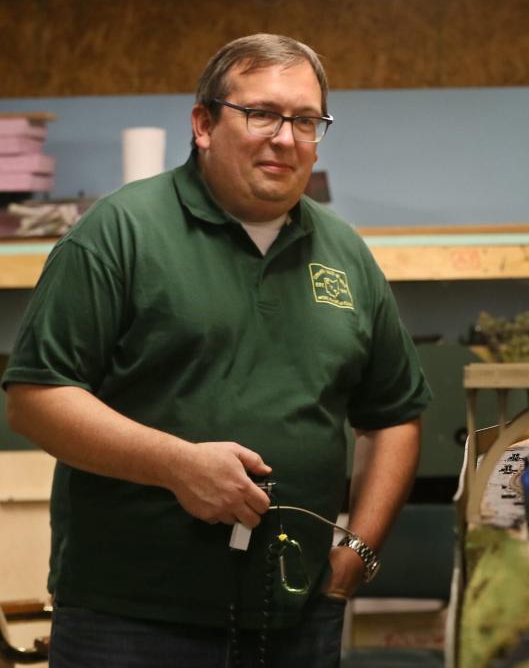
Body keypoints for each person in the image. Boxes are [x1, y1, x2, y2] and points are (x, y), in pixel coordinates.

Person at [2, 33, 431, 667]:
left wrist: (354, 557)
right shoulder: (120, 233)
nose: (286, 137)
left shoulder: (346, 255)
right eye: (262, 113)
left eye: (306, 120)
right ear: (203, 123)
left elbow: (393, 414)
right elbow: (37, 397)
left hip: (295, 616)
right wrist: (176, 464)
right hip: (128, 621)